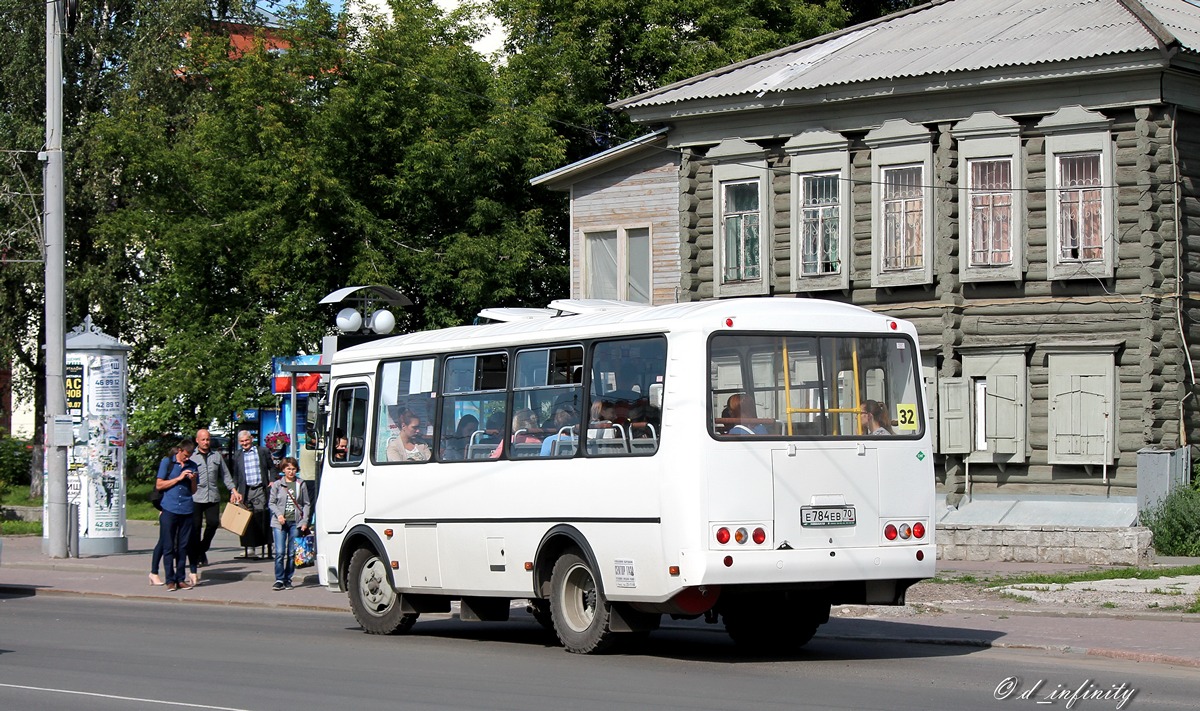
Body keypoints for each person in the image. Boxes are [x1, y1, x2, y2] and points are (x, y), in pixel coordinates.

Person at [156, 438, 198, 592]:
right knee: (168, 546)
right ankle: (170, 580)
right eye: (185, 455)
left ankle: (181, 578)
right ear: (179, 451)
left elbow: (194, 491)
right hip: (169, 509)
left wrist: (192, 480)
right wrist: (179, 478)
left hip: (186, 509)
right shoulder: (167, 463)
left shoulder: (192, 466)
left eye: (189, 456)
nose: (187, 459)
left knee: (183, 546)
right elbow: (159, 484)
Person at [190, 428, 233, 567]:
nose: (206, 442)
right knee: (195, 528)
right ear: (197, 440)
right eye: (203, 439)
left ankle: (201, 550)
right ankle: (197, 556)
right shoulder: (191, 456)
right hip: (195, 497)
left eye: (208, 439)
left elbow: (225, 475)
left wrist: (233, 490)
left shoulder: (216, 456)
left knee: (213, 523)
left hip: (212, 496)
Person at [229, 429, 276, 558]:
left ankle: (265, 544)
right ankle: (249, 547)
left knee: (261, 516)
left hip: (260, 489)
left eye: (246, 440)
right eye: (242, 441)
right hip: (245, 490)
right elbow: (236, 475)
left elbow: (272, 467)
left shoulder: (262, 451)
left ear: (251, 439)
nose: (245, 443)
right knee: (245, 519)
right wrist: (234, 490)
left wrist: (272, 480)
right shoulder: (238, 455)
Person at [268, 457, 312, 591]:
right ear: (283, 470)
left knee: (292, 553)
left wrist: (305, 521)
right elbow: (271, 502)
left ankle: (288, 579)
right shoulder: (277, 484)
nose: (291, 472)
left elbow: (306, 504)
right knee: (280, 552)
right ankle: (279, 579)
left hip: (296, 522)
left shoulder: (301, 483)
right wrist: (279, 515)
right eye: (288, 469)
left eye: (293, 469)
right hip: (279, 522)